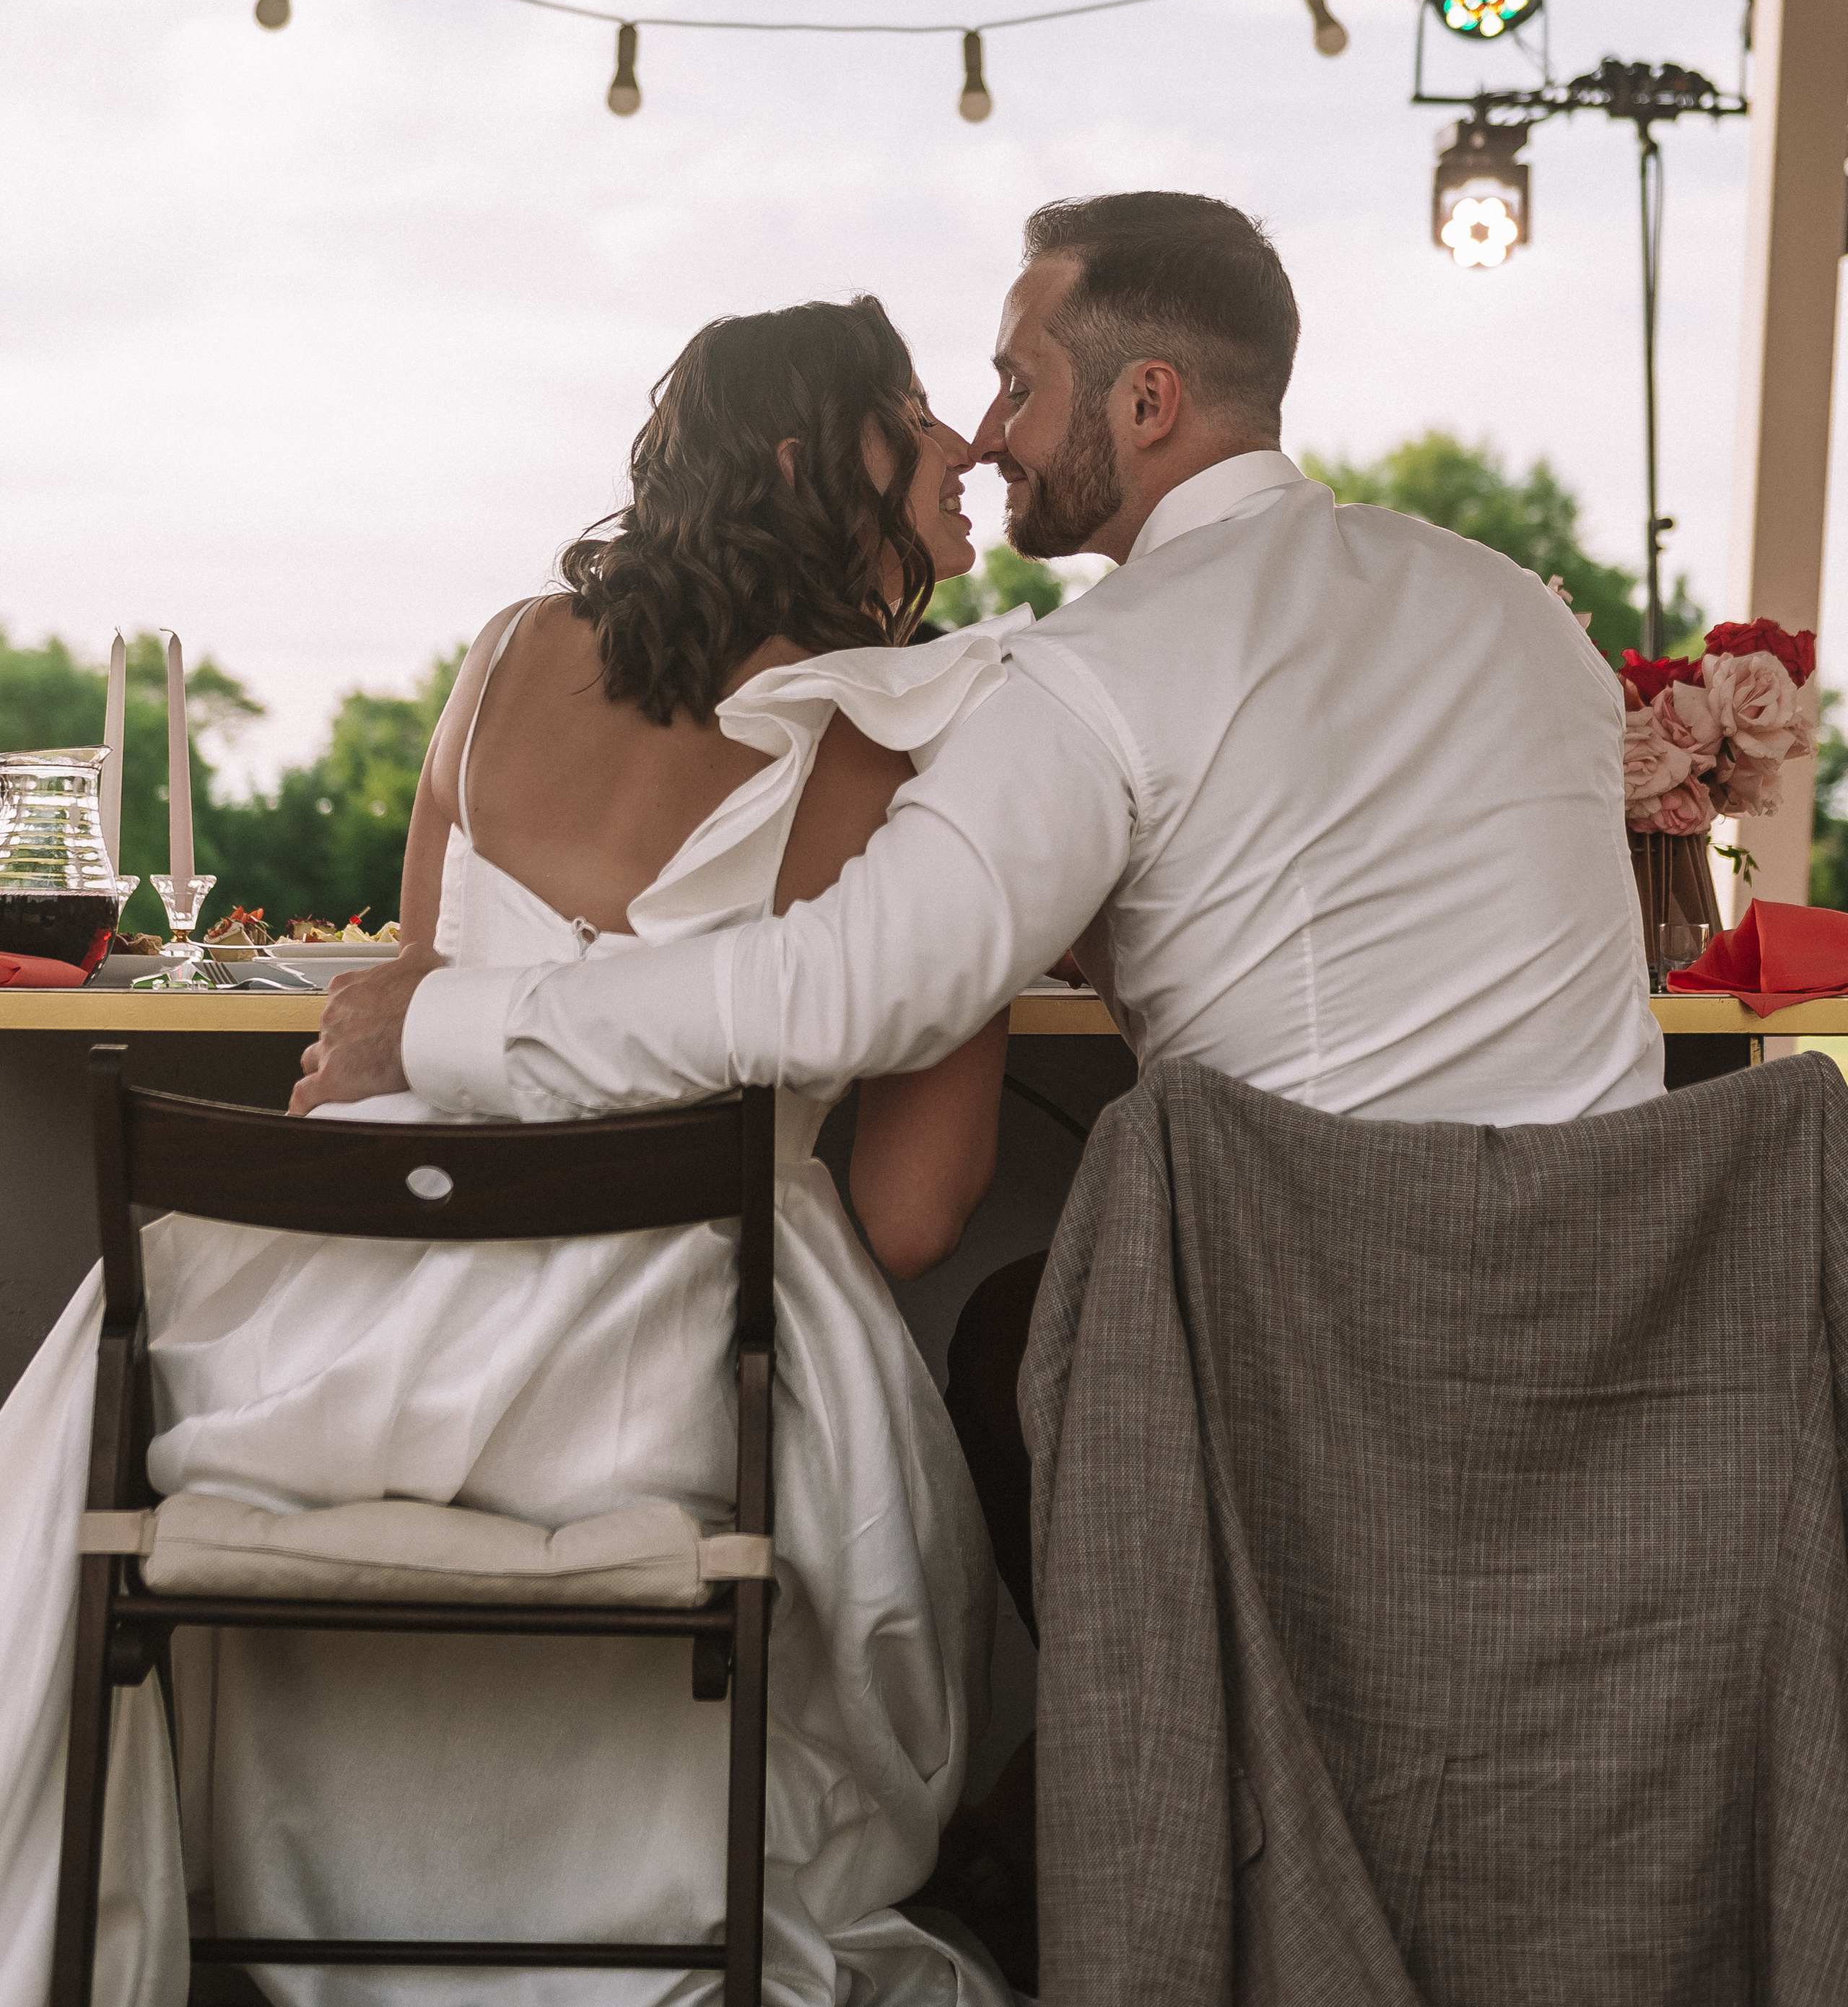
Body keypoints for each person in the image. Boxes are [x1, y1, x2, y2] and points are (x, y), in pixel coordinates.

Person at [301, 189, 1662, 1637]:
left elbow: (843, 989)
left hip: (1326, 1325)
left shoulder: (1090, 674)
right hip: (1626, 1316)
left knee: (1027, 1343)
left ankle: (1141, 1781)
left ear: (1145, 402)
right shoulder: (1520, 611)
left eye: (1017, 384)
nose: (987, 431)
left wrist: (442, 1023)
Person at [0, 297, 1025, 2007]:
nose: (959, 446)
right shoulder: (926, 739)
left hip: (329, 1320)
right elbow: (917, 1217)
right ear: (800, 457)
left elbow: (408, 1010)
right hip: (653, 1372)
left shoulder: (500, 656)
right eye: (909, 416)